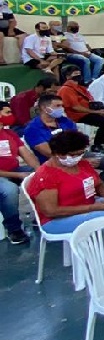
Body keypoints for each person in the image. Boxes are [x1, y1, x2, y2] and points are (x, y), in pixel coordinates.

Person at [26, 130, 104, 276]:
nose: (77, 157)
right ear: (58, 153)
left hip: (90, 205)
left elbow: (99, 184)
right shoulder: (46, 175)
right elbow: (51, 211)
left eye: (81, 153)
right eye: (73, 154)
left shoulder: (82, 164)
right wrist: (93, 207)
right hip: (57, 220)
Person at [23, 93, 104, 183]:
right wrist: (81, 162)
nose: (61, 108)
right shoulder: (32, 129)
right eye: (57, 106)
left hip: (77, 154)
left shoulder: (65, 121)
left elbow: (79, 141)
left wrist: (80, 156)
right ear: (45, 108)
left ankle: (94, 189)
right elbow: (49, 153)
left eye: (62, 105)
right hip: (54, 162)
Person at [0, 101, 37, 243]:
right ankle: (14, 229)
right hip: (5, 175)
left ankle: (42, 217)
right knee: (10, 190)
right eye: (7, 112)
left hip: (13, 170)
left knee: (43, 178)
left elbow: (26, 154)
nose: (11, 116)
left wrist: (39, 171)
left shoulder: (9, 133)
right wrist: (18, 175)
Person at [57, 65, 104, 153]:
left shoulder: (80, 87)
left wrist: (101, 109)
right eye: (75, 74)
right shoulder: (66, 89)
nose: (78, 75)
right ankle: (97, 145)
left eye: (79, 73)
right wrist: (96, 112)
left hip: (86, 112)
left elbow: (90, 101)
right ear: (67, 76)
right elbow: (76, 107)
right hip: (76, 115)